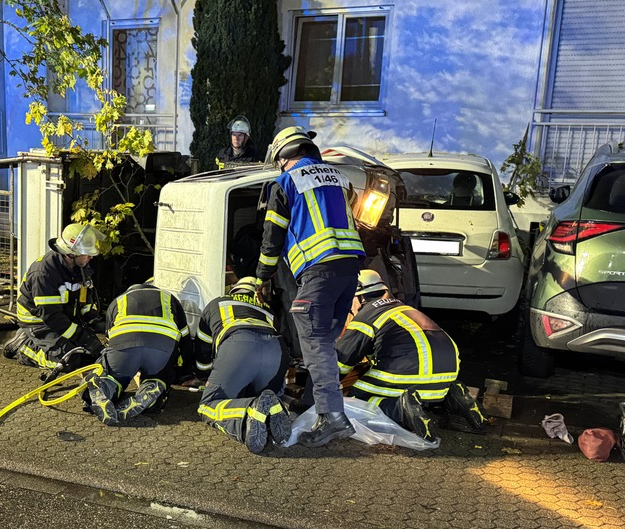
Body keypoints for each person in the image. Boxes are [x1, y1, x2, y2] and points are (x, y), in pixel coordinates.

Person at [256, 126, 366, 448]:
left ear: (281, 156)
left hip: (318, 270)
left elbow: (272, 238)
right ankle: (313, 408)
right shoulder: (338, 178)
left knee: (315, 344)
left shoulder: (285, 183)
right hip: (348, 270)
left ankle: (332, 417)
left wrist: (262, 277)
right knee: (325, 346)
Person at [335, 270, 487, 442]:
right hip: (446, 373)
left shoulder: (367, 315)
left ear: (360, 298)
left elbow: (341, 361)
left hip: (412, 370)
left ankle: (400, 409)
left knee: (355, 400)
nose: (349, 306)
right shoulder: (403, 308)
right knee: (420, 390)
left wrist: (321, 386)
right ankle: (452, 397)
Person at [194, 277, 291, 454]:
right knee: (261, 397)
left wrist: (204, 376)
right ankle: (274, 409)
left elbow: (202, 349)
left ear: (234, 290)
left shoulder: (217, 303)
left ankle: (249, 414)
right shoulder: (267, 309)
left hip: (239, 347)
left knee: (208, 405)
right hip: (276, 352)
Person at [84, 281, 193, 425]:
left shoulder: (118, 300)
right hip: (160, 348)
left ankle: (104, 388)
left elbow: (110, 339)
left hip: (125, 346)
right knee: (161, 376)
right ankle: (152, 391)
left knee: (112, 375)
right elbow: (185, 338)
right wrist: (184, 371)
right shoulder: (169, 298)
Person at [3, 223, 105, 371]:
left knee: (92, 355)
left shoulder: (80, 268)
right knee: (68, 362)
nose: (91, 257)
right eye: (87, 254)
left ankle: (37, 342)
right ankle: (22, 346)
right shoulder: (44, 273)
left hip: (64, 318)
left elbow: (84, 298)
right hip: (38, 322)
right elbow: (51, 316)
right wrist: (81, 336)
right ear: (72, 253)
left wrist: (94, 320)